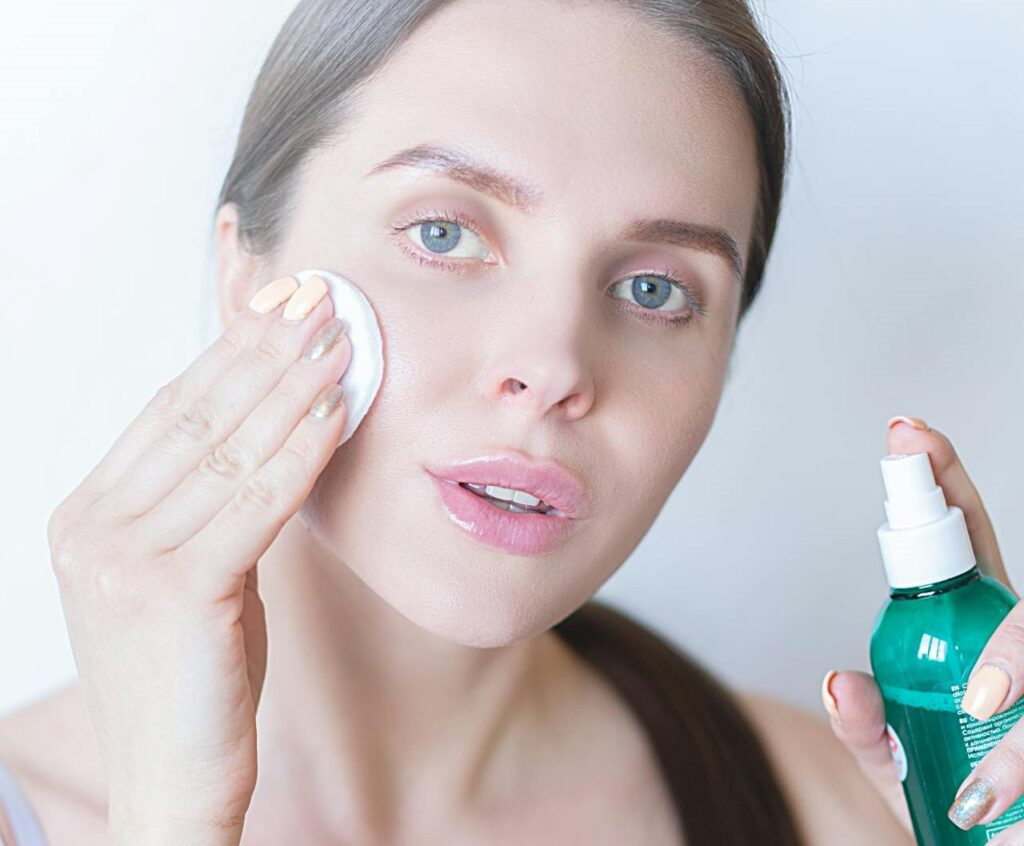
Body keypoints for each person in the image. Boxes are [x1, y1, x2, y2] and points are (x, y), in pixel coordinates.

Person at [5, 1, 1011, 843]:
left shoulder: (845, 815)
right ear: (245, 275)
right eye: (443, 233)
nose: (552, 365)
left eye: (656, 289)